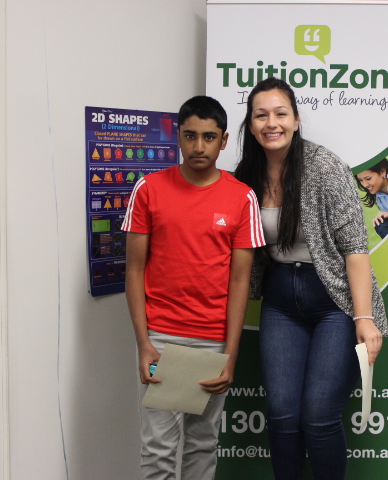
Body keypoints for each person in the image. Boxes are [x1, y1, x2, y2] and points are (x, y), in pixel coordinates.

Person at [233, 77, 388, 480]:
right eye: (261, 115)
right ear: (251, 124)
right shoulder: (245, 176)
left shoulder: (325, 167)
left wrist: (364, 318)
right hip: (280, 303)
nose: (272, 123)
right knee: (282, 414)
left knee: (319, 415)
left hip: (333, 302)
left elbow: (355, 249)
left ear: (296, 120)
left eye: (280, 113)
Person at [123, 95, 265, 480]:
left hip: (212, 342)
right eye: (190, 136)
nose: (198, 146)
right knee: (157, 449)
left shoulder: (242, 198)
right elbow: (134, 271)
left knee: (203, 444)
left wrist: (230, 353)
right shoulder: (149, 190)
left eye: (209, 137)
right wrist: (144, 343)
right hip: (161, 339)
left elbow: (241, 281)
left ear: (223, 141)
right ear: (178, 137)